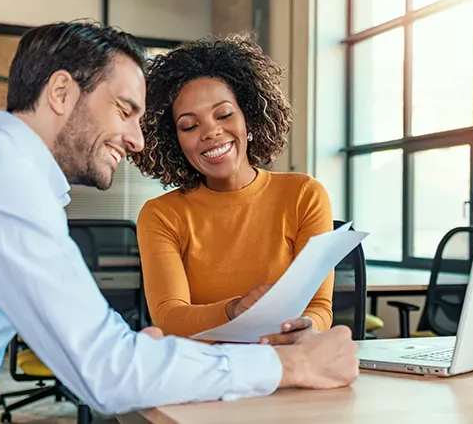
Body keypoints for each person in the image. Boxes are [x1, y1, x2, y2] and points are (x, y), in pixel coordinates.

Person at [0, 22, 358, 423]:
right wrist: (292, 368)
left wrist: (144, 356)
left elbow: (102, 355)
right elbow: (104, 371)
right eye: (125, 110)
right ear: (61, 93)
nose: (137, 139)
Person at [130, 35, 335, 346]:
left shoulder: (304, 195)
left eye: (223, 115)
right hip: (204, 372)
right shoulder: (161, 215)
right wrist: (234, 310)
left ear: (249, 120)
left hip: (286, 363)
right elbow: (169, 318)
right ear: (175, 142)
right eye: (189, 126)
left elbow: (319, 308)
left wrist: (307, 328)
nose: (211, 132)